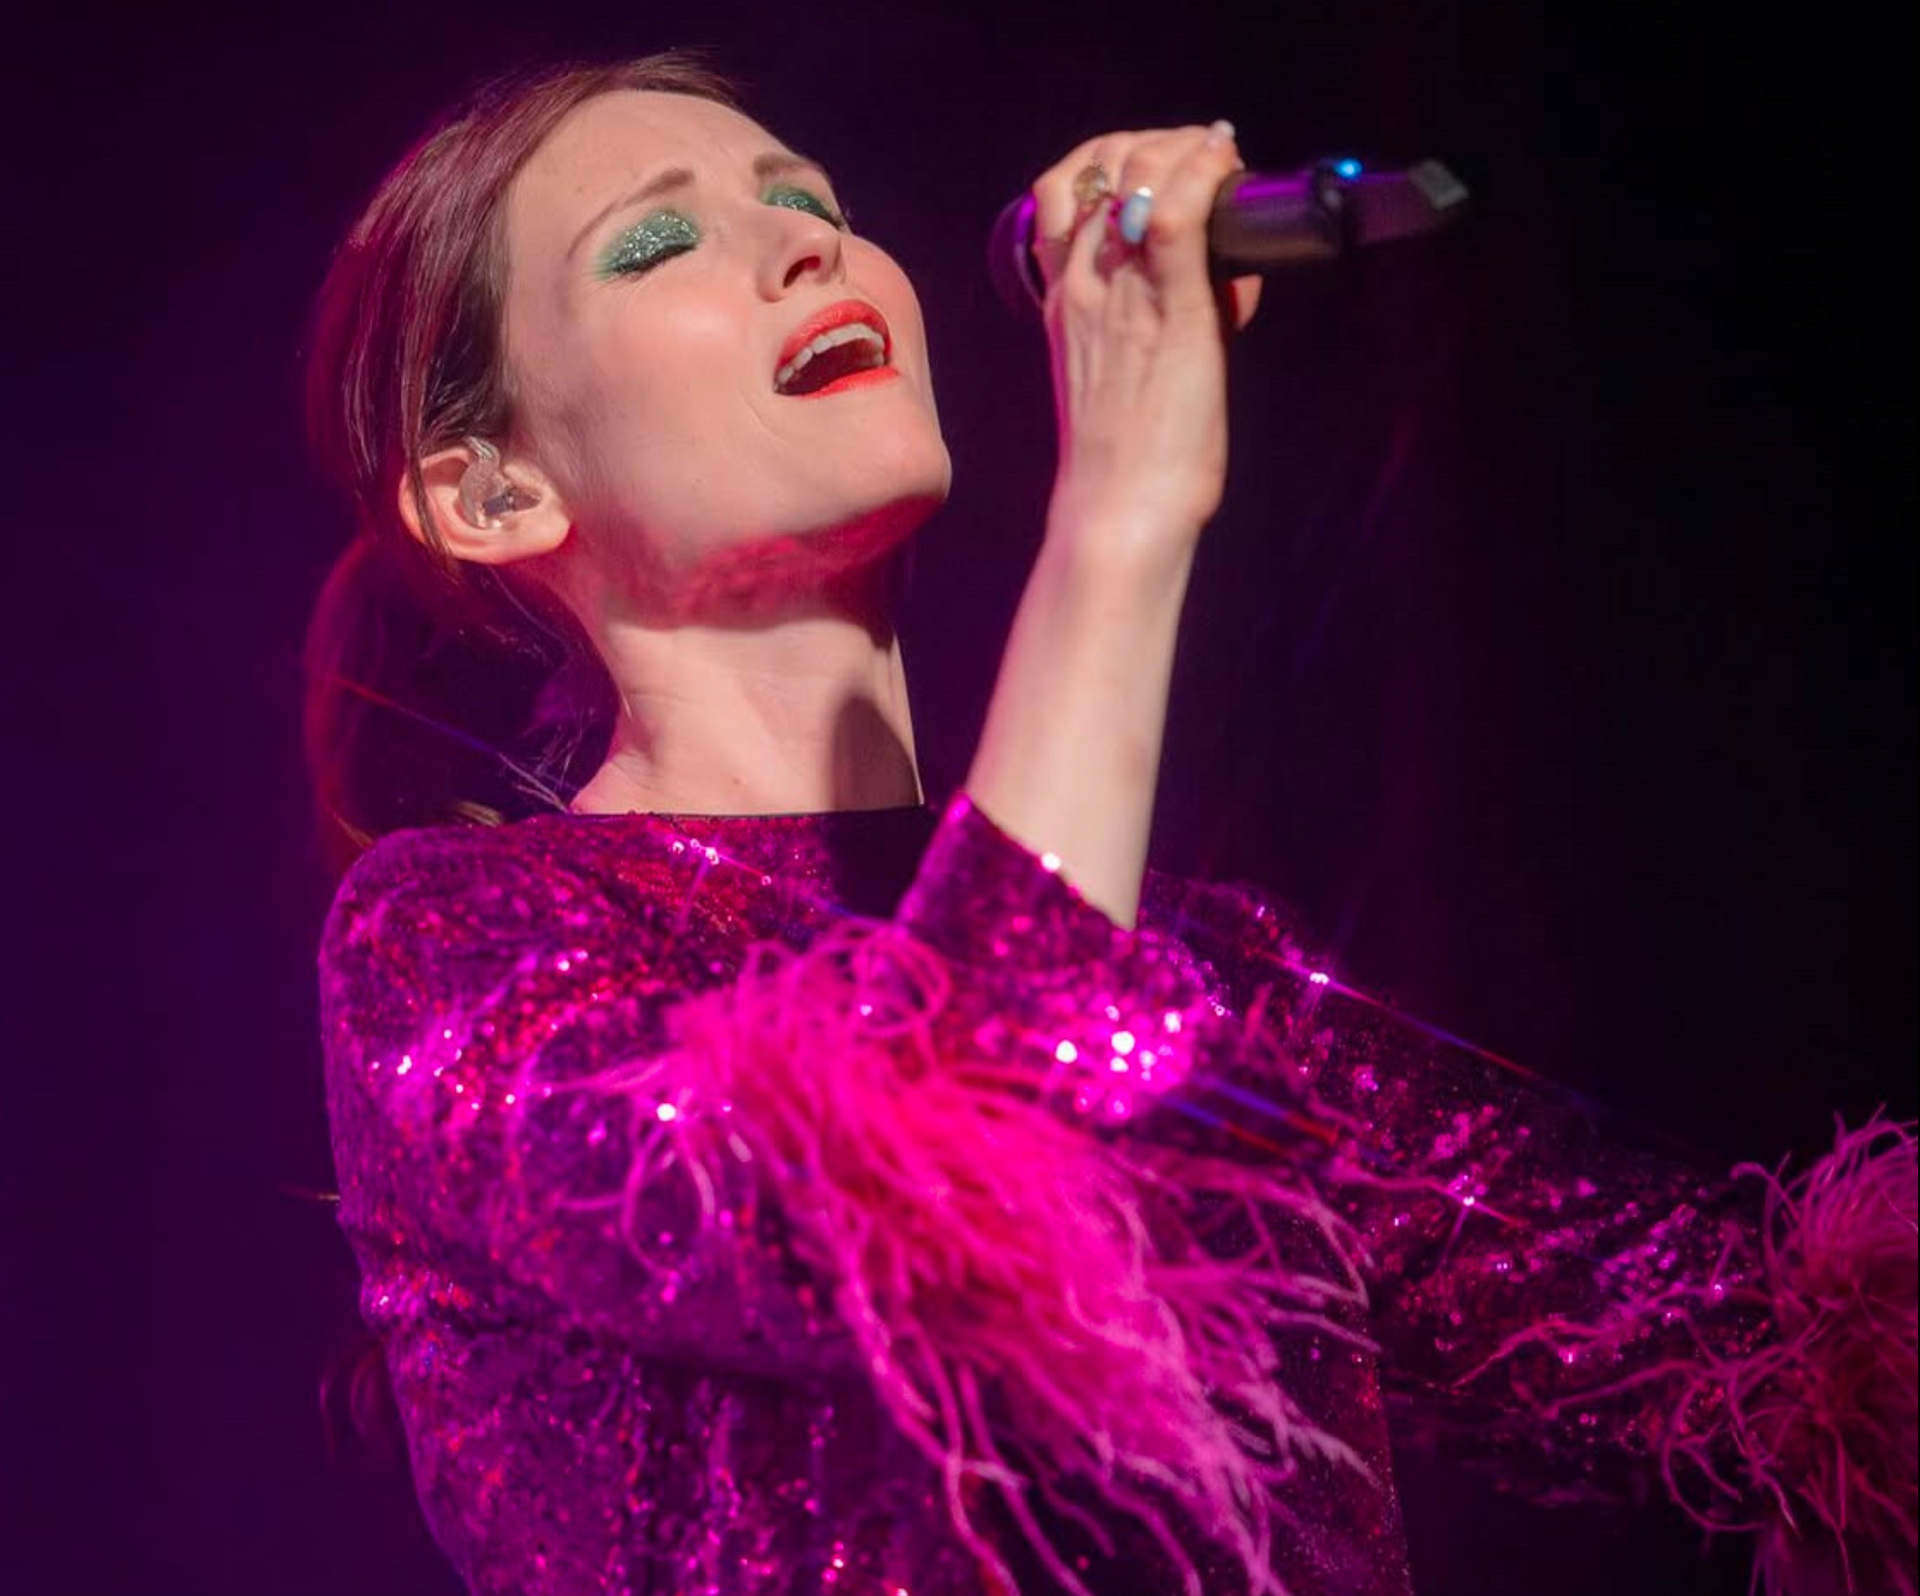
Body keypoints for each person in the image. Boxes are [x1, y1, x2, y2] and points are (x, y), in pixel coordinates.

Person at [306, 54, 1916, 1596]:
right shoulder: (454, 939)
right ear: (494, 493)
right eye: (659, 242)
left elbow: (1762, 1361)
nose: (807, 246)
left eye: (809, 200)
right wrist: (1127, 506)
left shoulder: (1204, 979)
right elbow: (929, 1185)